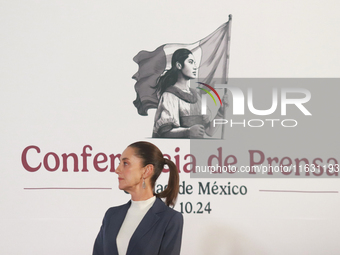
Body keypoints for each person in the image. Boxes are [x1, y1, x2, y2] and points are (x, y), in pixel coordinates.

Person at [93, 141, 183, 255]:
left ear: (146, 170)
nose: (117, 169)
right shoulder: (111, 215)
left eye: (125, 163)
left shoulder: (170, 219)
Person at [152, 48, 228, 138]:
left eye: (194, 63)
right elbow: (165, 133)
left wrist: (221, 111)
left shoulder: (196, 96)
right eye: (191, 62)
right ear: (179, 65)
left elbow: (209, 131)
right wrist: (187, 132)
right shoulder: (169, 95)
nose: (195, 67)